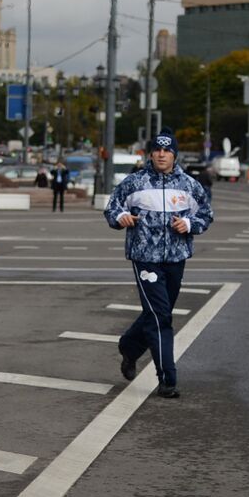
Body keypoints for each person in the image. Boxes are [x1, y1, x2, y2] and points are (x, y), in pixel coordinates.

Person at [104, 127, 213, 399]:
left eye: (167, 150)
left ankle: (129, 348)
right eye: (157, 150)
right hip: (145, 258)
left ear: (174, 155)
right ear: (150, 153)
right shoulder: (134, 183)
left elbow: (206, 215)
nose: (162, 154)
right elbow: (112, 208)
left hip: (175, 258)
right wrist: (121, 218)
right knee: (161, 316)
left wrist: (189, 223)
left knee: (157, 312)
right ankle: (167, 379)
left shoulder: (189, 185)